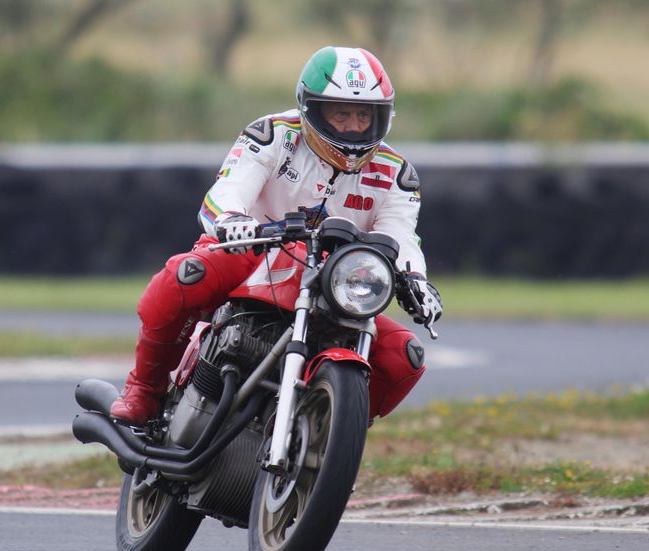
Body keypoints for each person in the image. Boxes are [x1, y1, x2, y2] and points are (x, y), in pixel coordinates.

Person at [110, 45, 442, 425]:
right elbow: (225, 193)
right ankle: (144, 389)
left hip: (334, 280)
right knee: (182, 278)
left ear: (381, 117)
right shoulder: (272, 135)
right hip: (250, 250)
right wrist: (232, 219)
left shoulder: (397, 174)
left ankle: (326, 435)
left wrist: (416, 279)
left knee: (405, 357)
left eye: (364, 115)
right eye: (341, 113)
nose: (353, 126)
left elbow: (401, 237)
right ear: (312, 109)